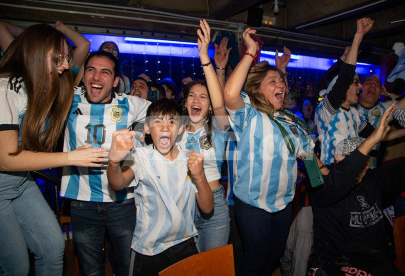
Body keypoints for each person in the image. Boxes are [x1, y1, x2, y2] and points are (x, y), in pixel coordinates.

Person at [0, 24, 107, 276]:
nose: (65, 66)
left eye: (67, 59)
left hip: (21, 183)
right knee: (16, 266)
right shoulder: (6, 88)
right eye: (59, 58)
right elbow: (5, 159)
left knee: (53, 247)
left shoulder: (44, 86)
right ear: (36, 52)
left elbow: (82, 48)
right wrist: (72, 157)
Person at [223, 27, 314, 275]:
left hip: (283, 204)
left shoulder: (290, 120)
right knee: (254, 260)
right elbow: (229, 94)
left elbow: (307, 153)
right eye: (272, 82)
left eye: (282, 82)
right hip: (253, 206)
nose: (280, 85)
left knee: (274, 256)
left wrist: (321, 179)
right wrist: (250, 53)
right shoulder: (249, 115)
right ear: (256, 90)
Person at [60, 50, 151, 276]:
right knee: (91, 271)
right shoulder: (68, 98)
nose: (96, 77)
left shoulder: (130, 103)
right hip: (82, 202)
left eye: (105, 72)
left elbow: (166, 116)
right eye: (91, 70)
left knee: (126, 267)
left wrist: (142, 132)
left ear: (116, 81)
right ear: (83, 75)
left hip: (122, 202)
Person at [107, 98, 214, 276]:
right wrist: (113, 162)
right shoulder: (140, 156)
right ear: (147, 129)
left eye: (172, 122)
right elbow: (118, 183)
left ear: (180, 129)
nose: (165, 128)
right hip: (148, 249)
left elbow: (208, 207)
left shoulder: (190, 158)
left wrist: (200, 176)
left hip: (185, 244)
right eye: (158, 121)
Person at [308, 103, 405, 276]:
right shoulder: (322, 183)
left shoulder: (373, 178)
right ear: (338, 163)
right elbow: (337, 177)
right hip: (336, 264)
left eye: (362, 166)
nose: (359, 170)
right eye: (351, 162)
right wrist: (371, 140)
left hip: (376, 262)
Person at [177, 20, 230, 252]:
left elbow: (221, 104)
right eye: (192, 96)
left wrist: (205, 60)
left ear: (210, 107)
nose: (196, 100)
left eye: (203, 97)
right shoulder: (174, 131)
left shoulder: (217, 129)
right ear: (185, 101)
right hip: (181, 203)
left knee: (214, 267)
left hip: (214, 207)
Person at [315, 18, 375, 165]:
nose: (360, 87)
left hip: (354, 174)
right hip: (332, 174)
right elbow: (344, 77)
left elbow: (375, 135)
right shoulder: (326, 110)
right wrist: (358, 35)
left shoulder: (354, 113)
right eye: (355, 82)